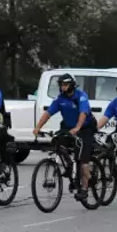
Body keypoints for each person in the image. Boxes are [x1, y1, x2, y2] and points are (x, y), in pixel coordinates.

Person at [32, 73, 96, 201]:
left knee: (83, 160)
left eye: (65, 84)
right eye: (61, 85)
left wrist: (78, 128)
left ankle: (84, 189)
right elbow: (48, 113)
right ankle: (69, 165)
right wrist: (38, 127)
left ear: (72, 85)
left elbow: (83, 113)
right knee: (57, 142)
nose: (63, 87)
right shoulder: (60, 99)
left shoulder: (81, 96)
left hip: (85, 127)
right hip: (68, 126)